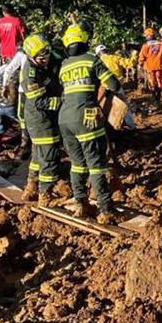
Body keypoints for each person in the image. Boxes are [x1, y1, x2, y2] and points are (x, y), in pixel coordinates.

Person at [58, 24, 122, 223]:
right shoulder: (91, 60)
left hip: (64, 119)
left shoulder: (64, 65)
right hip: (86, 118)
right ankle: (106, 209)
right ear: (85, 41)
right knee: (96, 165)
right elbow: (114, 84)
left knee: (77, 165)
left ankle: (80, 205)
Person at [20, 34, 64, 205]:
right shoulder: (30, 75)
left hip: (44, 117)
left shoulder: (48, 60)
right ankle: (45, 193)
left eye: (47, 53)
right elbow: (39, 101)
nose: (45, 58)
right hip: (40, 119)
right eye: (41, 56)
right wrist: (64, 103)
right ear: (32, 57)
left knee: (38, 156)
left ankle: (30, 188)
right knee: (49, 155)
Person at [0, 52, 23, 157]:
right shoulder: (19, 73)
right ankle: (25, 151)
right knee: (26, 126)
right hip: (10, 105)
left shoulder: (1, 71)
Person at [138, 28, 162, 99]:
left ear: (149, 36)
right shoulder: (161, 43)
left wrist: (140, 64)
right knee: (159, 80)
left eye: (146, 36)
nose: (145, 37)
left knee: (152, 82)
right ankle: (159, 93)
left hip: (149, 67)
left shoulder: (145, 45)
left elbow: (142, 57)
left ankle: (155, 97)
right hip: (159, 65)